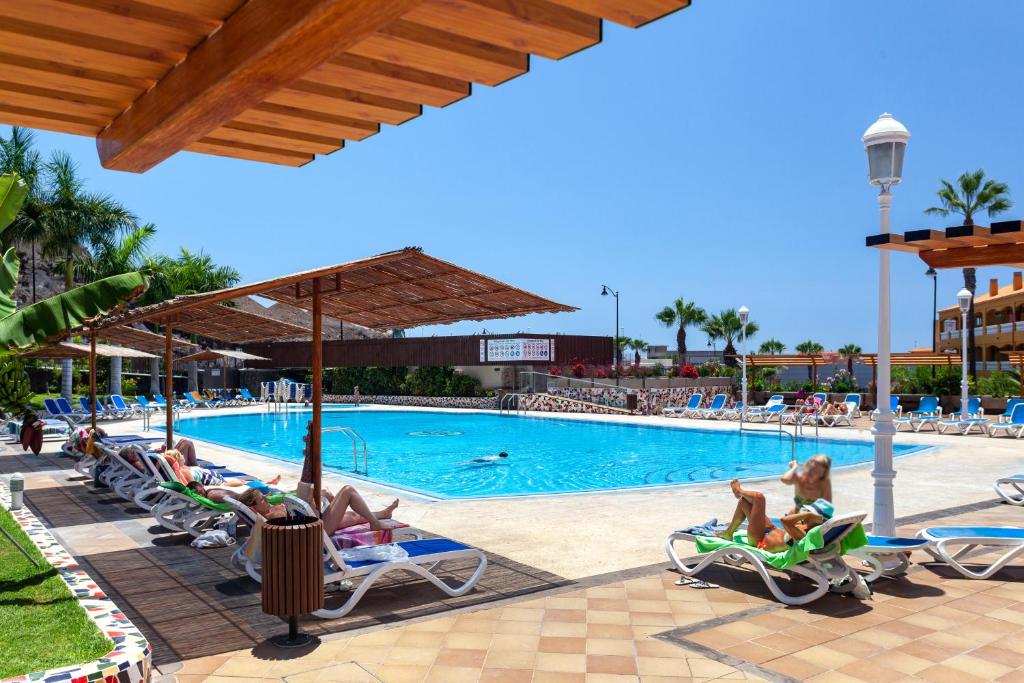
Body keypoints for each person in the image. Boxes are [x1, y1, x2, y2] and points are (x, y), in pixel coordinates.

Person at [717, 480, 826, 552]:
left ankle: (738, 491)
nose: (806, 512)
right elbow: (790, 514)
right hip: (770, 529)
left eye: (810, 512)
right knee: (744, 502)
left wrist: (808, 514)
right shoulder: (805, 527)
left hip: (760, 540)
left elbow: (785, 520)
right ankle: (728, 533)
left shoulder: (805, 535)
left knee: (759, 498)